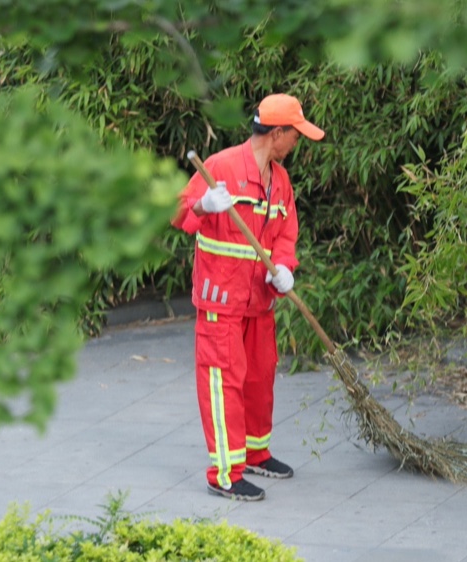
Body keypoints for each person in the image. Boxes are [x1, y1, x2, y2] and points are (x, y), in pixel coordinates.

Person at [172, 93, 324, 501]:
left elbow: (286, 232)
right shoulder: (220, 167)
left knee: (259, 378)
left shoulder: (281, 180)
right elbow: (178, 214)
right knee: (225, 382)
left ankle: (256, 451)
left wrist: (286, 268)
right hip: (221, 300)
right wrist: (203, 205)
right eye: (295, 136)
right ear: (277, 134)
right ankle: (224, 472)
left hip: (260, 301)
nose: (297, 144)